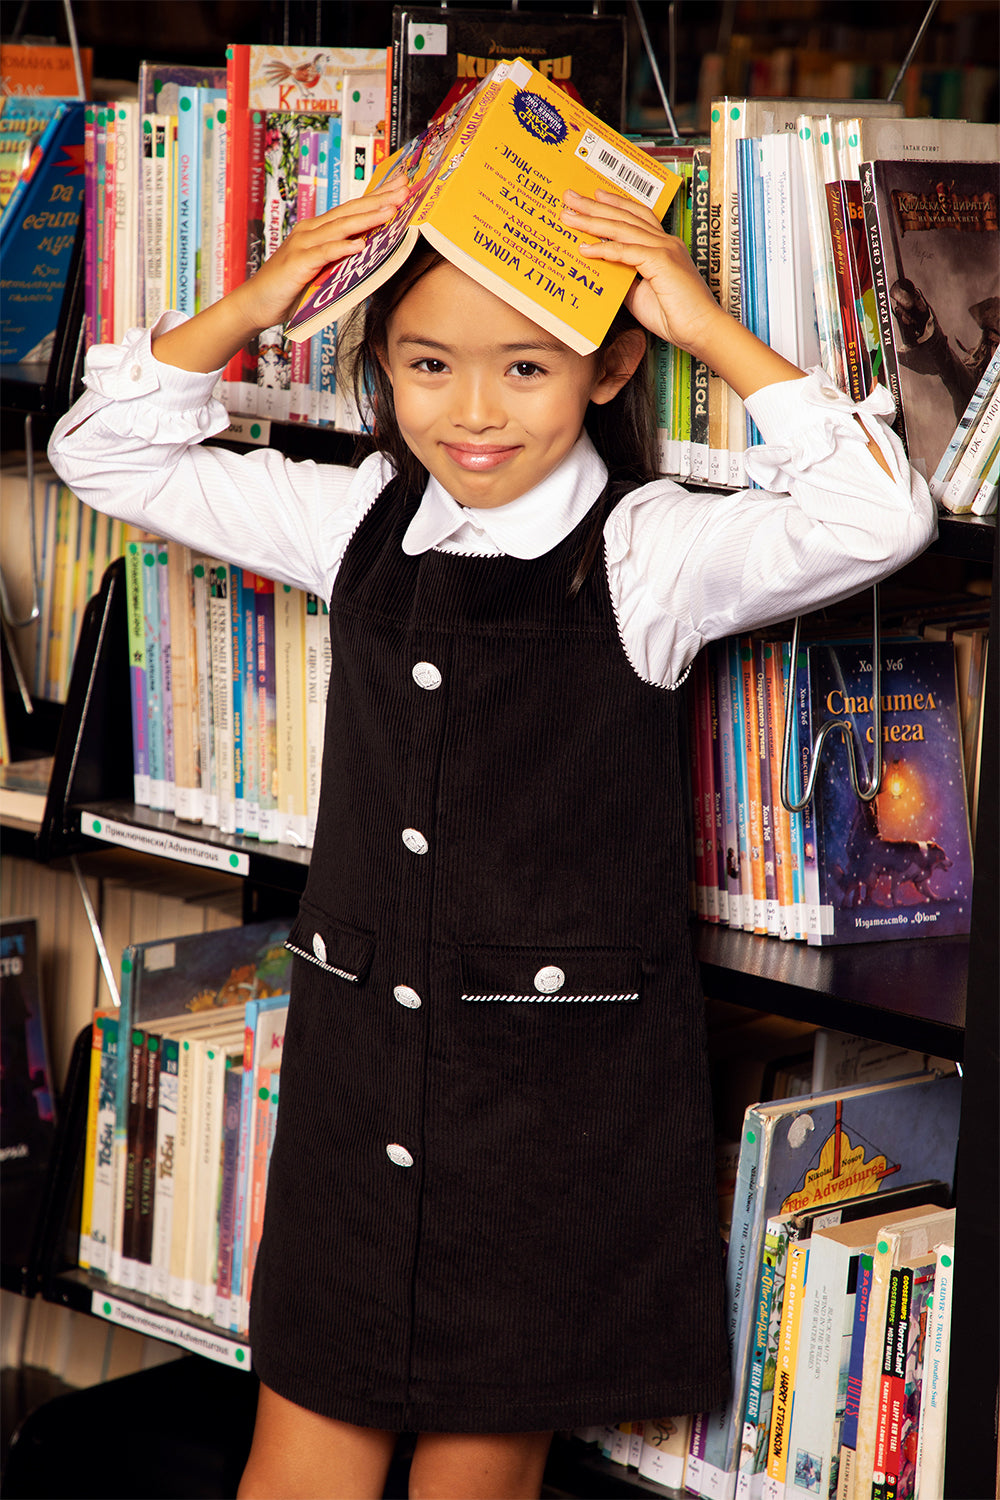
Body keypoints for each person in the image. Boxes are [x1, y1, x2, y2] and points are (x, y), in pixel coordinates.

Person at [48, 176, 936, 1500]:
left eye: (525, 367)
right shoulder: (350, 519)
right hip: (357, 1094)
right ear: (383, 365)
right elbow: (101, 453)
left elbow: (882, 518)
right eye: (426, 364)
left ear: (608, 365)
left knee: (480, 1475)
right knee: (300, 1464)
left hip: (552, 1116)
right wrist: (259, 299)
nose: (472, 410)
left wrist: (704, 325)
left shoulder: (648, 551)